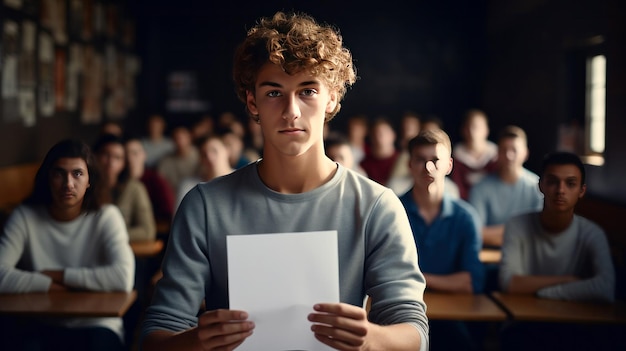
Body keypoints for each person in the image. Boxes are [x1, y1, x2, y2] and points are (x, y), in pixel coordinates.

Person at [141, 11, 428, 351]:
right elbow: (157, 334)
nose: (291, 110)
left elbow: (414, 333)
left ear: (332, 97)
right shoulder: (205, 206)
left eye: (307, 91)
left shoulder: (376, 206)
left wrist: (372, 339)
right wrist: (195, 342)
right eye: (274, 93)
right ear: (253, 102)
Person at [0, 139, 135, 351]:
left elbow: (122, 278)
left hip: (98, 324)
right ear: (48, 178)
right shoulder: (25, 216)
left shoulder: (106, 216)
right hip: (41, 322)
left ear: (90, 179)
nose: (68, 183)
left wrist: (56, 274)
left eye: (78, 173)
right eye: (59, 173)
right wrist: (48, 284)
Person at [499, 151, 617, 351]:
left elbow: (605, 288)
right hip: (524, 324)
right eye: (553, 182)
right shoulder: (517, 225)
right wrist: (570, 280)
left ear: (581, 190)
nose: (560, 190)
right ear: (541, 185)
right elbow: (508, 282)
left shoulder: (592, 233)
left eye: (570, 183)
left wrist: (546, 292)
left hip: (575, 327)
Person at [469, 125, 543, 248]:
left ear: (525, 153)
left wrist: (494, 233)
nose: (509, 155)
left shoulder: (538, 187)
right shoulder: (480, 189)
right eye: (504, 150)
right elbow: (476, 233)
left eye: (514, 150)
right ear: (497, 153)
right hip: (489, 261)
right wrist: (521, 230)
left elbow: (541, 230)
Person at [93, 133, 157, 242]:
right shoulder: (87, 186)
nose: (111, 162)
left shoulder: (134, 188)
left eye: (117, 158)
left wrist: (112, 235)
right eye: (106, 155)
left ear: (124, 163)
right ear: (96, 157)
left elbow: (148, 231)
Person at [175, 134, 234, 211]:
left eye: (214, 151)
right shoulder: (189, 186)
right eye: (204, 154)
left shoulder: (243, 180)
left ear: (227, 151)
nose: (209, 157)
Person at [125, 135, 176, 225]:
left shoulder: (156, 181)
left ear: (144, 155)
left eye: (135, 153)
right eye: (126, 154)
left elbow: (168, 213)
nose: (130, 158)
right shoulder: (119, 182)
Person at [451, 109, 498, 200]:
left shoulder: (495, 155)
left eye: (476, 127)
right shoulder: (457, 156)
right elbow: (458, 186)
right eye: (468, 127)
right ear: (463, 130)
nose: (472, 132)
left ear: (486, 130)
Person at [157, 125, 200, 194]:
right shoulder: (166, 161)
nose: (180, 141)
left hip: (197, 192)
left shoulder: (200, 155)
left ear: (189, 138)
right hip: (173, 195)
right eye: (176, 138)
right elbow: (160, 183)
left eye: (182, 138)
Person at [359, 117, 400, 186]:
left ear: (393, 135)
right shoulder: (363, 165)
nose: (380, 136)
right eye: (376, 133)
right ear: (371, 137)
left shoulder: (403, 161)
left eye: (385, 132)